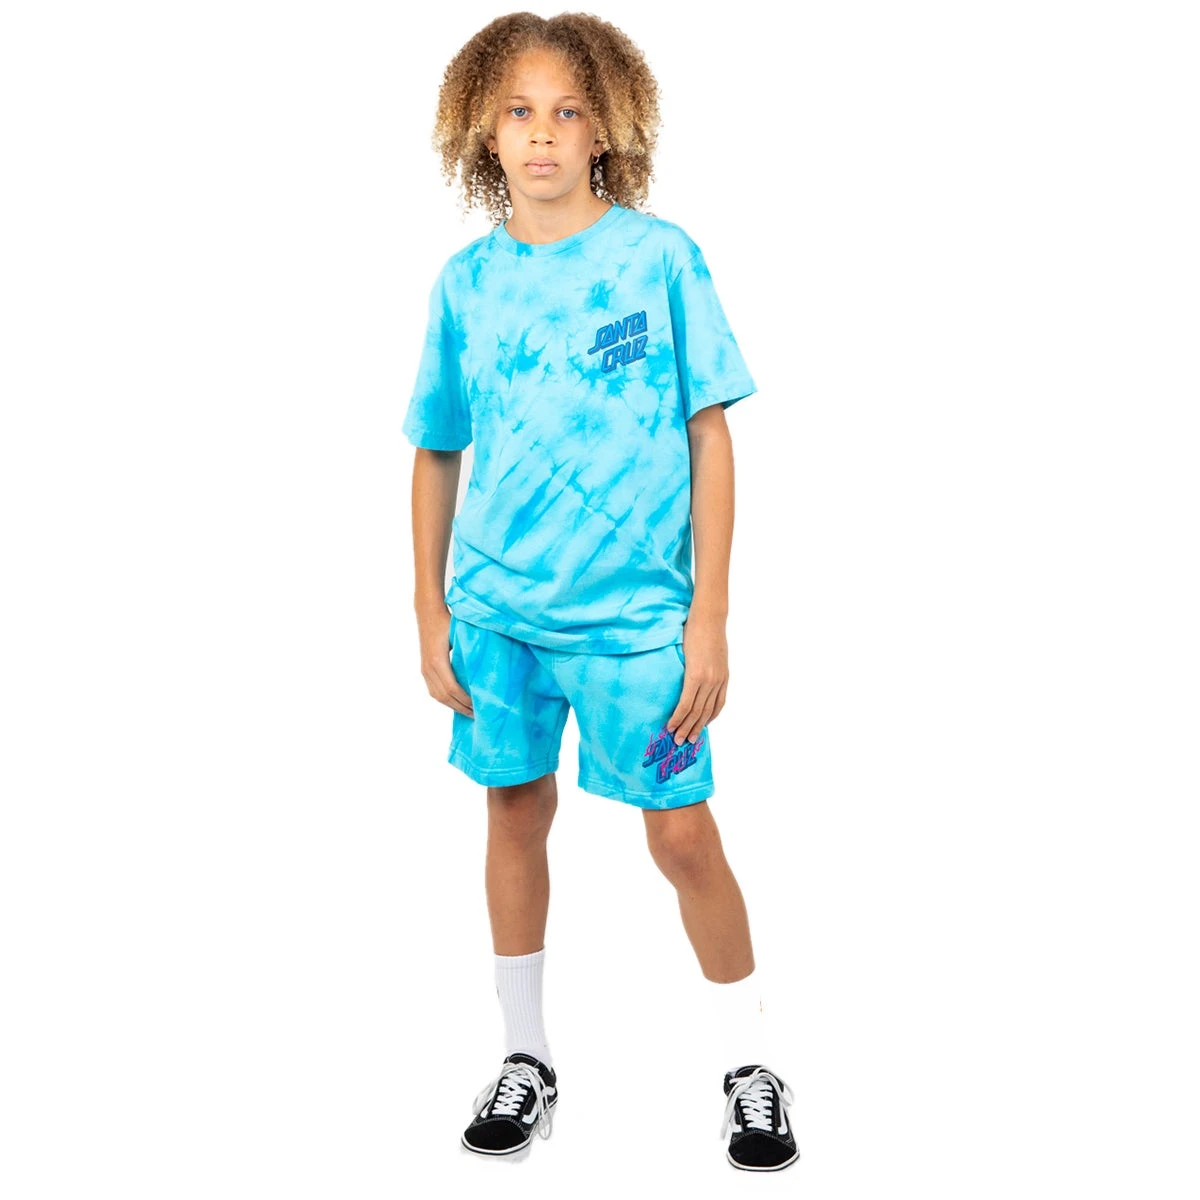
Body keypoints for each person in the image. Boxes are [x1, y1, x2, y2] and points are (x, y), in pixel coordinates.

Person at [404, 12, 798, 1173]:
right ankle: (525, 1058)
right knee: (512, 816)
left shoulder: (659, 260)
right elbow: (435, 450)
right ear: (482, 131)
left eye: (568, 111)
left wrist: (708, 614)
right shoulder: (466, 285)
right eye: (520, 112)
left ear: (607, 129)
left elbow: (711, 436)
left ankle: (750, 1064)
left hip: (635, 625)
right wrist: (429, 611)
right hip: (499, 619)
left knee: (681, 836)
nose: (543, 133)